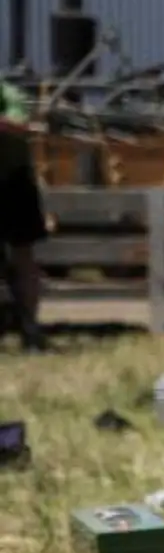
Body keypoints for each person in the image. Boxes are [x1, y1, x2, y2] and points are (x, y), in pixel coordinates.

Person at [0, 79, 50, 352]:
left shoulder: (10, 93)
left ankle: (30, 329)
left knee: (23, 256)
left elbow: (22, 127)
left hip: (14, 182)